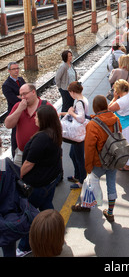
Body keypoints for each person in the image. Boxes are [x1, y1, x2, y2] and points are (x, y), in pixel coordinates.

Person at [15, 104, 63, 256]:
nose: (35, 118)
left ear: (44, 120)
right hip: (49, 181)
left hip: (37, 185)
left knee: (28, 215)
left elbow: (29, 163)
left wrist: (19, 176)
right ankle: (56, 231)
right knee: (47, 207)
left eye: (37, 116)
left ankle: (24, 246)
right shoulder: (55, 133)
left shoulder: (41, 138)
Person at [74, 95, 122, 222]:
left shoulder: (93, 125)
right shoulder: (116, 119)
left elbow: (89, 147)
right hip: (113, 160)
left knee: (88, 183)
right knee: (111, 185)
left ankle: (86, 205)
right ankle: (110, 212)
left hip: (98, 162)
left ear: (95, 108)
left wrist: (88, 166)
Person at [5, 84, 52, 167]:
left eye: (25, 94)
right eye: (21, 95)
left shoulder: (46, 107)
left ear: (33, 92)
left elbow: (56, 129)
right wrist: (19, 109)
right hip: (21, 153)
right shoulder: (18, 106)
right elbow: (8, 125)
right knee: (17, 176)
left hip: (41, 153)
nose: (23, 97)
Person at [60, 81, 89, 189]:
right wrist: (63, 113)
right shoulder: (83, 99)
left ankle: (82, 180)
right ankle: (77, 175)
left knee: (79, 157)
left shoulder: (79, 103)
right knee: (73, 155)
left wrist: (71, 112)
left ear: (72, 92)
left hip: (78, 133)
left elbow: (81, 118)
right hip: (79, 132)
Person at [2, 61, 26, 158]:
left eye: (17, 68)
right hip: (14, 112)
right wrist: (23, 97)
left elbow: (26, 92)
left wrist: (21, 96)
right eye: (14, 69)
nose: (16, 71)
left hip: (24, 110)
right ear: (9, 71)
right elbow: (13, 99)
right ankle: (14, 154)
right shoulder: (6, 85)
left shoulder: (21, 79)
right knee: (15, 133)